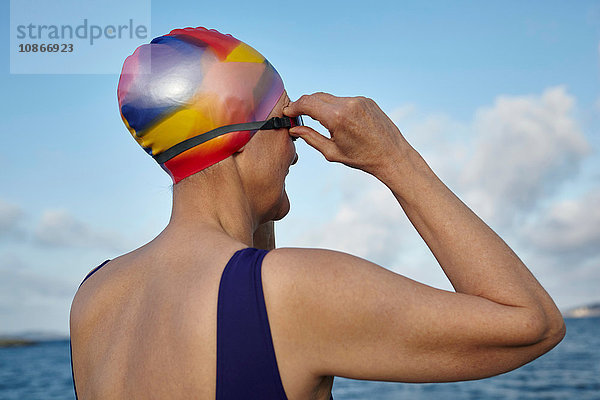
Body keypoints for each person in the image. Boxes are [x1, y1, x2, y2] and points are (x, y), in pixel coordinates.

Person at [70, 27, 565, 400]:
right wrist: (393, 156)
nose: (297, 150)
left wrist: (254, 196)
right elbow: (532, 324)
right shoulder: (288, 293)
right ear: (237, 138)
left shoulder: (94, 297)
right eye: (290, 122)